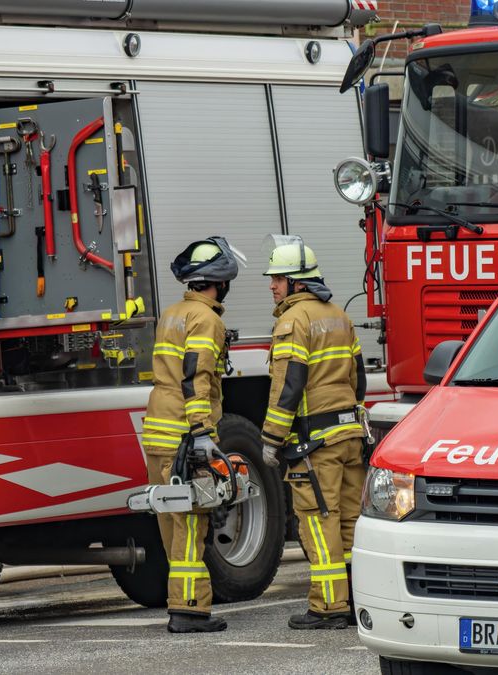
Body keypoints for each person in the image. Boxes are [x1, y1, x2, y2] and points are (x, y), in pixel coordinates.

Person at [259, 235, 367, 630]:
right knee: (350, 521)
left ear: (298, 283)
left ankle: (327, 607)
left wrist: (271, 439)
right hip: (348, 436)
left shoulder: (293, 320)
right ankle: (358, 601)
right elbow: (359, 381)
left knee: (318, 521)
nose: (272, 285)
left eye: (279, 278)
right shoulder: (339, 315)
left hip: (314, 445)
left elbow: (289, 383)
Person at [141, 236, 242, 634]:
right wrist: (201, 431)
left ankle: (181, 602)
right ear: (220, 281)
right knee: (190, 522)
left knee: (172, 523)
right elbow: (196, 377)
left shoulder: (172, 313)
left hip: (158, 429)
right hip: (184, 433)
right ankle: (188, 610)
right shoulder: (208, 320)